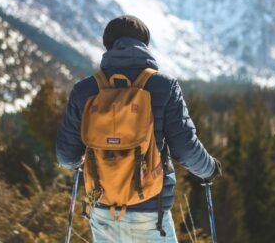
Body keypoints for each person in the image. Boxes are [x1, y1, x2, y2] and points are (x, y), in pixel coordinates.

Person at [56, 15, 221, 242]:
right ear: (145, 44)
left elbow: (66, 157)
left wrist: (85, 161)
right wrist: (209, 169)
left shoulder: (85, 90)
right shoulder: (164, 86)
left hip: (102, 207)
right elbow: (185, 148)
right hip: (151, 210)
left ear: (108, 45)